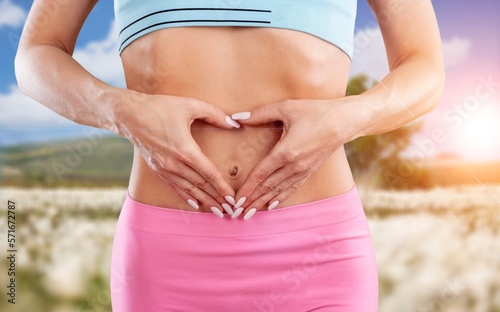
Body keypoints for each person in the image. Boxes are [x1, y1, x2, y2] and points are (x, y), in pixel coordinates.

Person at [15, 0, 444, 311]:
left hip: (320, 252)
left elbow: (425, 66)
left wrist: (347, 118)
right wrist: (121, 111)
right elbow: (36, 54)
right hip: (167, 257)